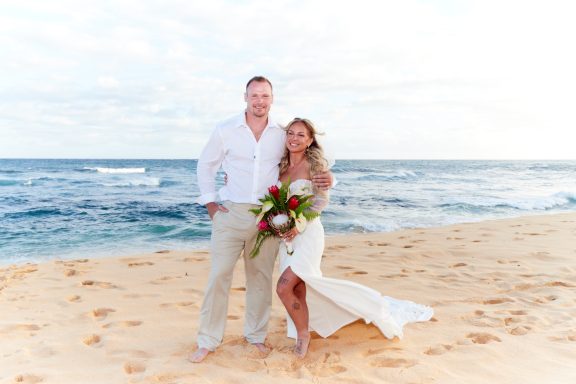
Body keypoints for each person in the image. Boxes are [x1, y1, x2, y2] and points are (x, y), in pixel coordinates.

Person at [189, 77, 332, 363]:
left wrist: (331, 178)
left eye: (265, 95)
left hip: (267, 217)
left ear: (272, 99)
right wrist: (211, 204)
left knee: (260, 279)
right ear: (245, 97)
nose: (259, 101)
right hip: (230, 213)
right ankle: (207, 340)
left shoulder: (281, 133)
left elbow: (305, 157)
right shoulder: (225, 129)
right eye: (254, 95)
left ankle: (255, 336)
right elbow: (206, 165)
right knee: (219, 276)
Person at [275, 118, 434, 358]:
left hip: (308, 234)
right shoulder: (281, 168)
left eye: (301, 135)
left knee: (283, 287)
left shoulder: (314, 166)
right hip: (288, 238)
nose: (294, 138)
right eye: (291, 133)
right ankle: (302, 332)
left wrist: (299, 224)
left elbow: (321, 201)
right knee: (299, 289)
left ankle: (305, 335)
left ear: (309, 141)